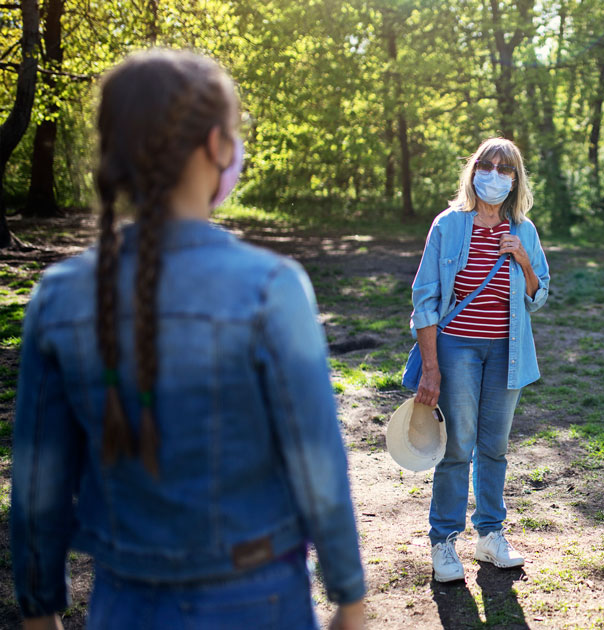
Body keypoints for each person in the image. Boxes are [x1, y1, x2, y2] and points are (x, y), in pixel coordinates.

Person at [10, 50, 365, 630]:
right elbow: (316, 457)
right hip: (260, 596)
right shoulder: (271, 288)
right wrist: (349, 596)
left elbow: (37, 481)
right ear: (216, 145)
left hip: (123, 603)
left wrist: (36, 608)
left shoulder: (58, 296)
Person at [409, 137, 551, 582]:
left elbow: (538, 296)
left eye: (504, 168)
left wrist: (524, 261)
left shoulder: (524, 229)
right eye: (486, 166)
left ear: (515, 179)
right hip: (458, 349)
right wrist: (430, 367)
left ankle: (490, 535)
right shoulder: (449, 224)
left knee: (495, 446)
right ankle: (444, 540)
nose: (494, 174)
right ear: (473, 172)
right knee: (456, 445)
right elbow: (425, 299)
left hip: (507, 350)